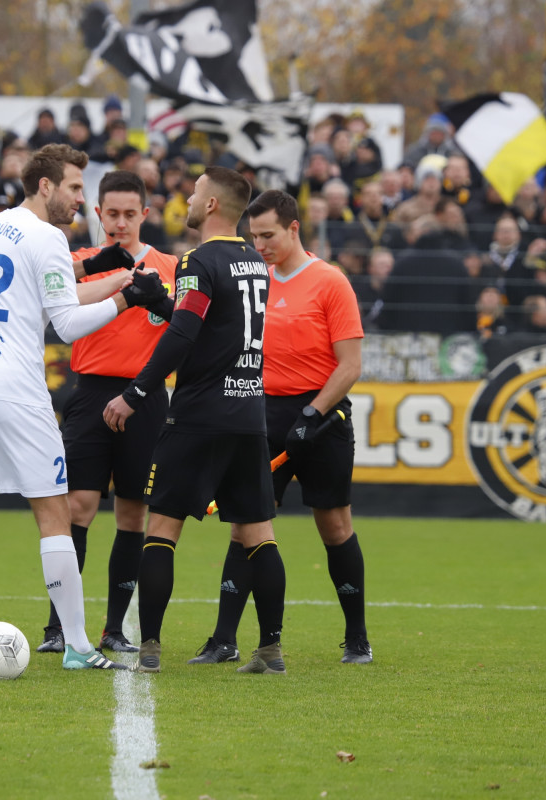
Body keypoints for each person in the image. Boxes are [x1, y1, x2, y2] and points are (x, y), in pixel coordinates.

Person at [0, 144, 165, 670]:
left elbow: (36, 285)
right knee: (55, 515)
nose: (80, 198)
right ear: (45, 186)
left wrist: (108, 272)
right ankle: (78, 647)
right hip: (13, 389)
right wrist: (126, 299)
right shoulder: (48, 237)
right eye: (74, 187)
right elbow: (66, 323)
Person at [102, 166, 286, 675]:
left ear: (211, 205)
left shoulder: (197, 260)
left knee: (162, 529)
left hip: (199, 415)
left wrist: (135, 393)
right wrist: (160, 300)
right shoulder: (255, 262)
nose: (187, 198)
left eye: (195, 191)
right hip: (248, 414)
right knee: (259, 533)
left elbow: (184, 334)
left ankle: (150, 648)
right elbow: (211, 324)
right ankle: (271, 649)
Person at [190, 189, 371, 666]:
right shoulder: (255, 279)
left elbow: (350, 365)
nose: (260, 245)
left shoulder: (330, 282)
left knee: (334, 525)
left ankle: (357, 639)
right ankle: (224, 640)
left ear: (294, 228)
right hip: (260, 416)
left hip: (322, 419)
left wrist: (312, 414)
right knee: (245, 525)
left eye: (268, 235)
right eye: (254, 236)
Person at [33, 170, 178, 655]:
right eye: (111, 213)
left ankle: (114, 628)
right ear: (98, 213)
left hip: (147, 397)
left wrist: (164, 300)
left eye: (129, 214)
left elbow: (187, 327)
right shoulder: (81, 261)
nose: (120, 223)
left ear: (145, 215)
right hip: (91, 393)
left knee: (133, 513)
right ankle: (59, 626)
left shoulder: (169, 267)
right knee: (76, 507)